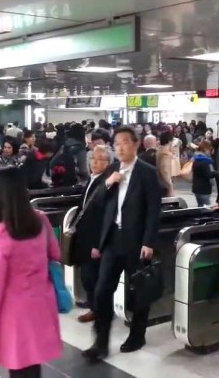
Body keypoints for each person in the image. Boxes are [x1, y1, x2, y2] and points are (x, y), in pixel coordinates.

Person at [0, 166, 62, 378]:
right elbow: (55, 253)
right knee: (32, 366)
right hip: (41, 306)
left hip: (14, 316)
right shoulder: (40, 220)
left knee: (19, 368)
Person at [84, 126, 161, 360]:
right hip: (112, 239)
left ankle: (137, 334)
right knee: (102, 290)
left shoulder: (147, 172)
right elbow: (97, 202)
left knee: (137, 288)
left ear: (136, 144)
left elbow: (153, 210)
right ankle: (101, 341)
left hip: (135, 240)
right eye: (117, 143)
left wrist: (148, 241)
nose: (121, 147)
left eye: (126, 142)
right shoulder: (112, 170)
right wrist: (109, 183)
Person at [71, 145, 110, 323]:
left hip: (95, 240)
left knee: (91, 277)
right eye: (93, 158)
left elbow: (104, 217)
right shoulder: (92, 179)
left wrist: (98, 244)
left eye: (101, 159)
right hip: (84, 237)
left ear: (108, 163)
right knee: (88, 276)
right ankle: (96, 307)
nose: (96, 162)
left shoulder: (107, 183)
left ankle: (98, 310)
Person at [191, 141, 216, 207]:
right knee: (205, 208)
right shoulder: (206, 161)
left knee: (200, 206)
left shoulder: (196, 159)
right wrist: (217, 173)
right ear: (205, 149)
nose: (210, 151)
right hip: (204, 189)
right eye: (209, 149)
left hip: (196, 188)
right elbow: (210, 174)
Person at [156, 131, 175, 197]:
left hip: (158, 182)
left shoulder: (159, 151)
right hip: (164, 185)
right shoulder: (166, 154)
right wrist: (170, 185)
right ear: (169, 141)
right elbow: (165, 170)